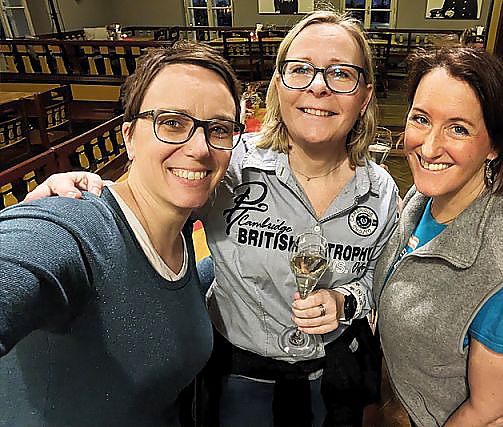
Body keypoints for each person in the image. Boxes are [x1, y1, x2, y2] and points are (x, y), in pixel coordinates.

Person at [25, 11, 399, 427]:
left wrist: (345, 300)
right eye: (300, 69)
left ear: (364, 95)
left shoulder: (381, 191)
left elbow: (376, 279)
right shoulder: (226, 164)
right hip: (239, 378)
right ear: (278, 85)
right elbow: (150, 206)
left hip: (333, 375)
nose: (318, 86)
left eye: (341, 73)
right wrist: (88, 199)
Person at [0, 41, 243, 427]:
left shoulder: (182, 236)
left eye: (218, 129)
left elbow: (164, 295)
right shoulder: (75, 225)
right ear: (129, 136)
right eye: (172, 123)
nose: (199, 148)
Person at [372, 47, 503, 427]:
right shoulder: (425, 198)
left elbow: (493, 413)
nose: (429, 148)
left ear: (495, 145)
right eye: (421, 119)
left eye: (458, 129)